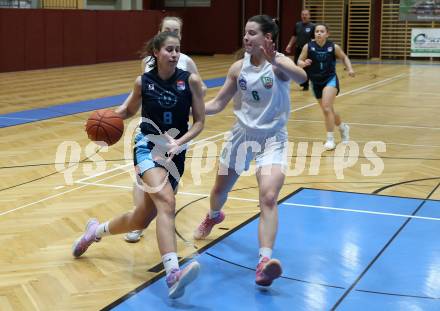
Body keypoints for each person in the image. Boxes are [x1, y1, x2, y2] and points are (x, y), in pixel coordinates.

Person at [72, 31, 205, 299]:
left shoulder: (189, 81)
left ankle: (94, 232)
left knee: (141, 218)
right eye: (169, 49)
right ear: (156, 52)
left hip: (175, 151)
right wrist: (101, 121)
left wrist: (181, 142)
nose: (175, 54)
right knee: (166, 202)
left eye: (177, 49)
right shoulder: (142, 82)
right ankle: (172, 274)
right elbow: (127, 111)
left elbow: (200, 122)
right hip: (147, 146)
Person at [192, 15, 307, 287]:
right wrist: (193, 107)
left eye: (252, 33)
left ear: (267, 38)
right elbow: (219, 103)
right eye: (245, 32)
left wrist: (276, 59)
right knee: (219, 192)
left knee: (268, 197)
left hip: (273, 139)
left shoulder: (279, 65)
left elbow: (301, 76)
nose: (246, 37)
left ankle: (264, 262)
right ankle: (213, 216)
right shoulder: (237, 68)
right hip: (241, 136)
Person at [125, 16, 207, 243]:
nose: (173, 33)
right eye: (168, 30)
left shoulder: (187, 63)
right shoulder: (148, 64)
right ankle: (138, 225)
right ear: (159, 36)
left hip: (177, 135)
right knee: (144, 180)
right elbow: (145, 89)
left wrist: (192, 98)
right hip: (151, 131)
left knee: (170, 189)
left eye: (176, 31)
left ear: (180, 36)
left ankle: (150, 218)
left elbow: (202, 88)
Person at [297, 24, 355, 150]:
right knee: (328, 110)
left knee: (327, 108)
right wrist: (303, 63)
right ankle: (343, 127)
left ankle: (330, 140)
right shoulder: (308, 47)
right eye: (317, 31)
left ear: (327, 34)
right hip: (315, 81)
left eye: (322, 31)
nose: (318, 33)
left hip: (330, 79)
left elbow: (344, 57)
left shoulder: (333, 47)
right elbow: (299, 61)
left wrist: (349, 68)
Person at [285, 9, 315, 91]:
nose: (304, 16)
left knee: (306, 66)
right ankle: (302, 81)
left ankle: (305, 84)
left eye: (306, 15)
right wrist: (289, 45)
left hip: (307, 50)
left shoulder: (313, 26)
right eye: (303, 14)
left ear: (309, 16)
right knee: (297, 65)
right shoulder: (297, 25)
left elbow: (314, 39)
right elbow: (294, 36)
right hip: (298, 48)